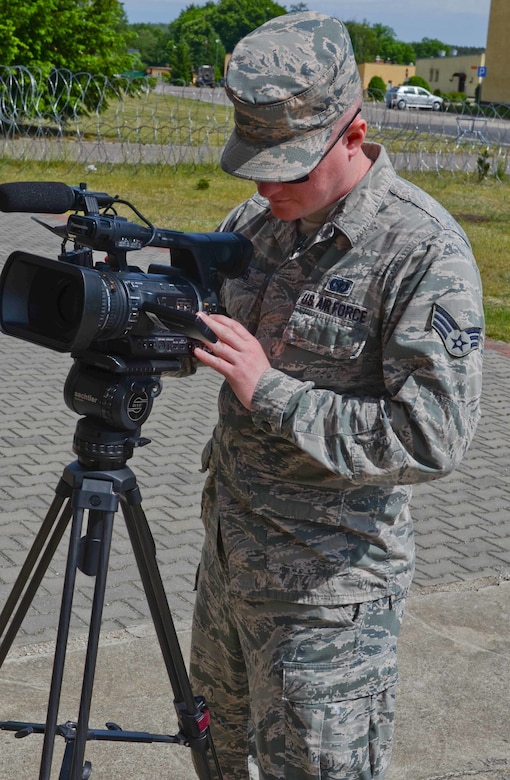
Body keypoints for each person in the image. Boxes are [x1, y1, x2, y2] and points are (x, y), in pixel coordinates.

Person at [189, 11, 484, 780]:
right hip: (228, 569)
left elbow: (432, 438)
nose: (264, 183)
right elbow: (215, 340)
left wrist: (273, 391)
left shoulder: (422, 249)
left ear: (352, 133)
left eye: (287, 164)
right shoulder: (255, 222)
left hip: (327, 604)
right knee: (213, 758)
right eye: (255, 160)